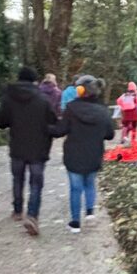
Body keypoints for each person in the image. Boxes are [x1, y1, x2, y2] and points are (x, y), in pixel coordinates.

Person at [0, 66, 56, 236]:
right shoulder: (43, 100)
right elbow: (52, 122)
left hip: (17, 146)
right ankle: (32, 215)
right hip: (38, 148)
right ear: (34, 81)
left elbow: (0, 122)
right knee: (36, 183)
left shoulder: (8, 98)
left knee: (17, 178)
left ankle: (17, 210)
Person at [50, 74, 115, 233]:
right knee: (90, 184)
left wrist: (45, 128)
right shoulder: (103, 110)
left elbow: (60, 131)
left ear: (79, 90)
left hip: (74, 155)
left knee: (75, 188)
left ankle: (75, 223)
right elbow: (110, 134)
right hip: (94, 154)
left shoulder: (71, 108)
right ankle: (90, 214)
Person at [116, 81, 137, 146]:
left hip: (126, 113)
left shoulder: (124, 95)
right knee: (134, 126)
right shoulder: (136, 95)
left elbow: (118, 101)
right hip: (134, 112)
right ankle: (133, 140)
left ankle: (123, 138)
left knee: (125, 126)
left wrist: (123, 106)